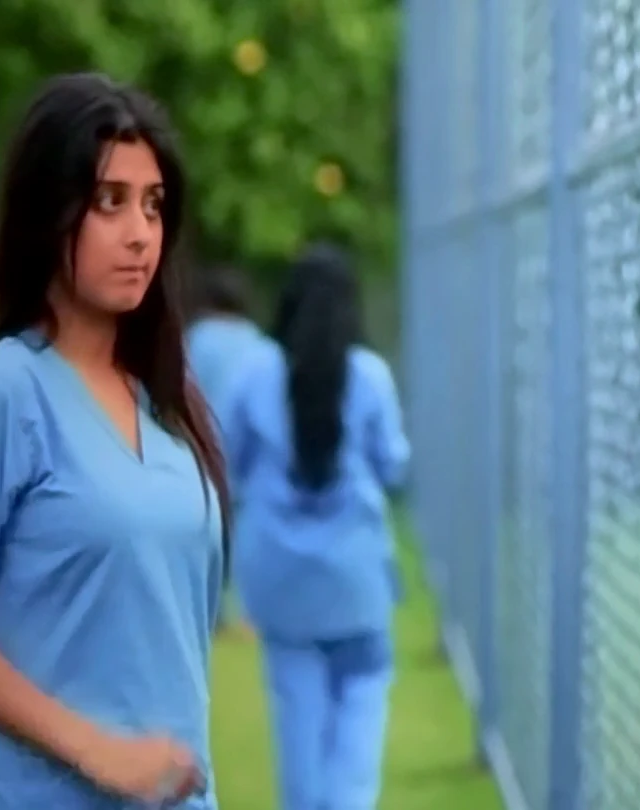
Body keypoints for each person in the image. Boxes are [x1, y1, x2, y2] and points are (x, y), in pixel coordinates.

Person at [0, 73, 226, 808]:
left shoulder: (167, 403)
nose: (140, 232)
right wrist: (99, 753)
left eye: (153, 205)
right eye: (110, 201)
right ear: (48, 214)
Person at [222, 244, 409, 810]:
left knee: (298, 718)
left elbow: (229, 463)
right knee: (362, 705)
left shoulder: (254, 372)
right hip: (357, 577)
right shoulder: (370, 375)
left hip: (280, 580)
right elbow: (393, 466)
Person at [183, 263, 272, 634]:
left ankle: (213, 610)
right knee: (245, 530)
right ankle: (248, 611)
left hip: (204, 446)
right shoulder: (259, 344)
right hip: (250, 451)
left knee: (207, 530)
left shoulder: (197, 338)